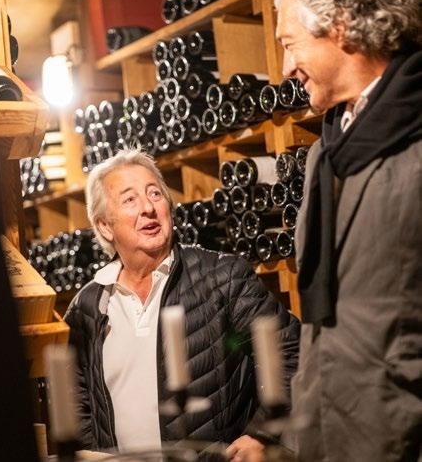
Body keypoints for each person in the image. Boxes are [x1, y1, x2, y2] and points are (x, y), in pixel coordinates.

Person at [64, 149, 300, 454]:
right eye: (130, 199)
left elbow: (291, 351)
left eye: (155, 194)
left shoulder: (223, 278)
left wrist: (261, 435)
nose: (148, 207)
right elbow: (77, 404)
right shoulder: (86, 308)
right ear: (105, 226)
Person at [274, 0, 422, 460]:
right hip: (331, 434)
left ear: (339, 26)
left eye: (290, 44)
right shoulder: (326, 153)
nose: (285, 68)